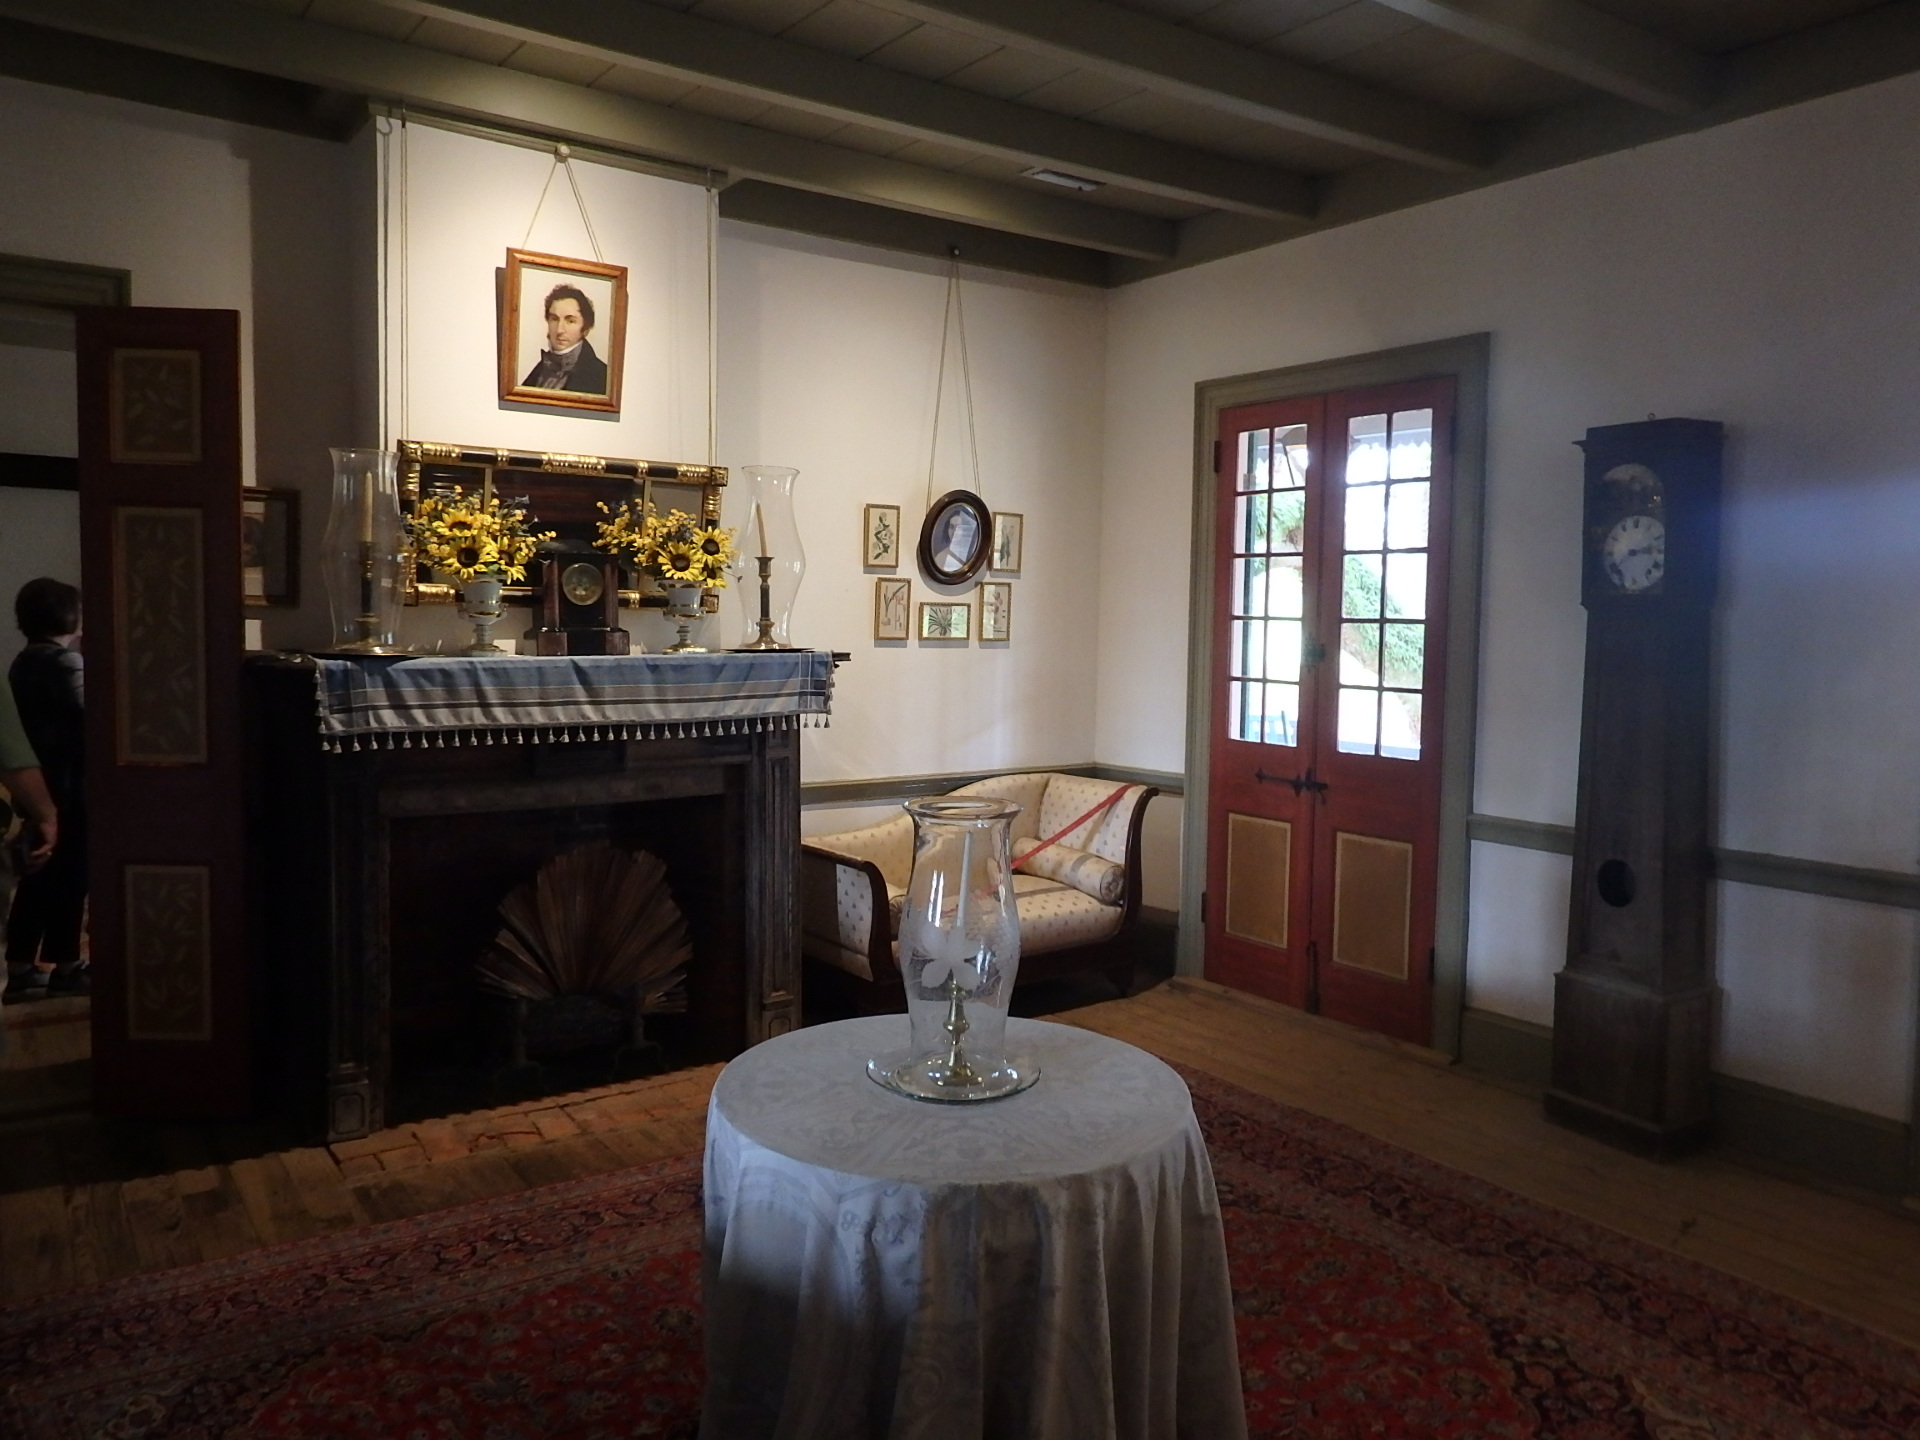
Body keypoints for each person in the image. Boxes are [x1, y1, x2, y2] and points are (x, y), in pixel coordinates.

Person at [6, 578, 85, 1000]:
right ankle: (67, 965)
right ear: (71, 617)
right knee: (72, 878)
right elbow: (89, 716)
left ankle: (20, 967)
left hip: (38, 783)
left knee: (37, 879)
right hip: (71, 787)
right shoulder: (66, 662)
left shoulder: (22, 662)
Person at [520, 284, 609, 394]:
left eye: (570, 321)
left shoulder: (601, 376)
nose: (559, 330)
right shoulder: (540, 369)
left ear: (585, 327)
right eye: (554, 319)